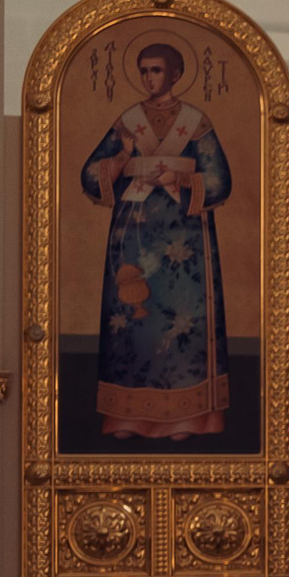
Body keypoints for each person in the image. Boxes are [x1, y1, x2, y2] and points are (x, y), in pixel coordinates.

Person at [80, 42, 232, 439]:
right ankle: (126, 417)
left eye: (157, 71)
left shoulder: (196, 122)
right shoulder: (128, 122)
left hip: (183, 237)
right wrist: (120, 161)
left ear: (176, 74)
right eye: (144, 71)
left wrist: (181, 179)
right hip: (132, 232)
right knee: (132, 322)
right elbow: (89, 173)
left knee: (182, 322)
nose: (149, 78)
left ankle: (187, 418)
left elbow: (219, 180)